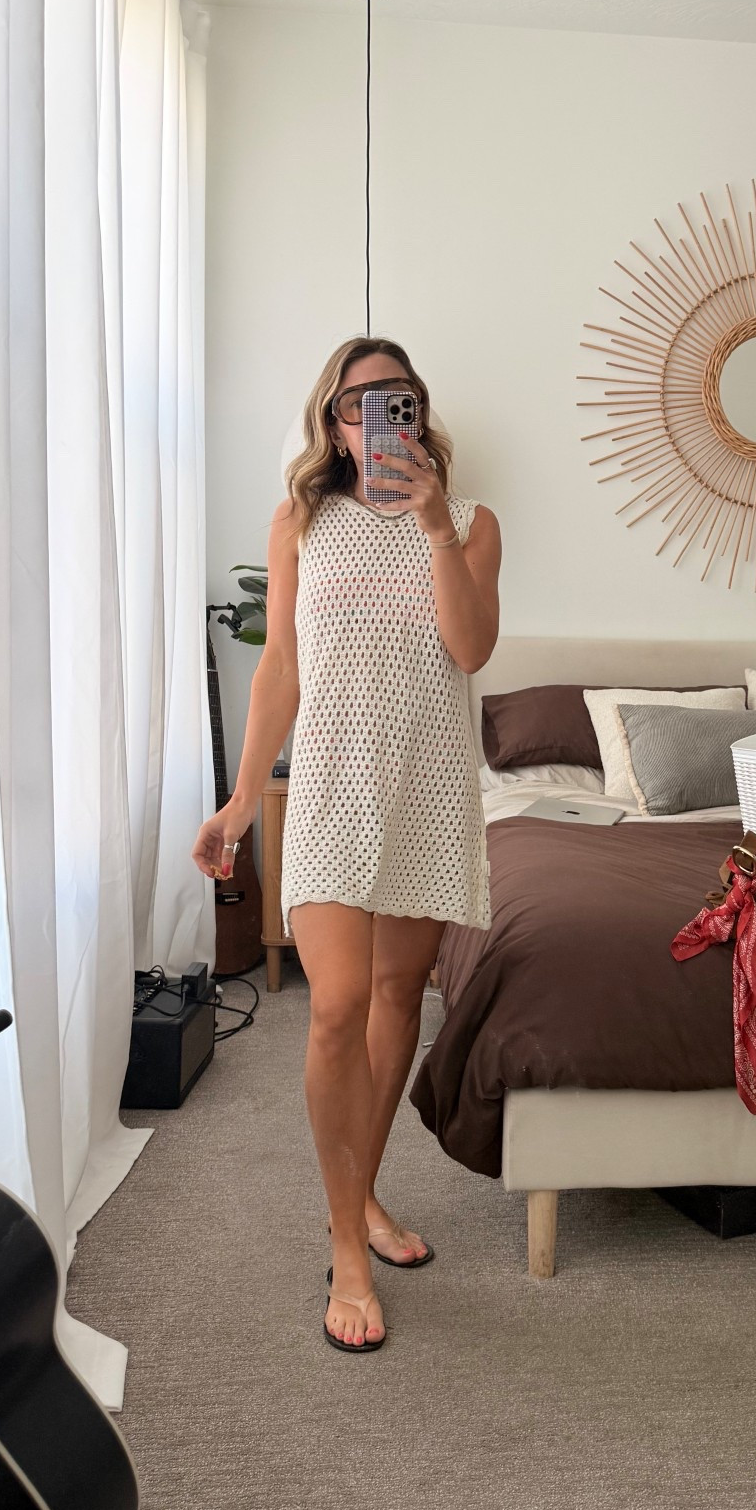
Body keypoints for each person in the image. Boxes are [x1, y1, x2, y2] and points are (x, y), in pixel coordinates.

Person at [194, 337, 499, 1352]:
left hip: (425, 788)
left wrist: (437, 527)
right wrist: (242, 799)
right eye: (358, 399)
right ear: (332, 421)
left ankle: (363, 1195)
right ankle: (347, 1245)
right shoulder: (299, 522)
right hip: (330, 787)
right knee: (335, 1008)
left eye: (396, 396)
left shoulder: (471, 523)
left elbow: (470, 648)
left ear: (418, 410)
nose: (377, 413)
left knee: (398, 998)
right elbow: (280, 664)